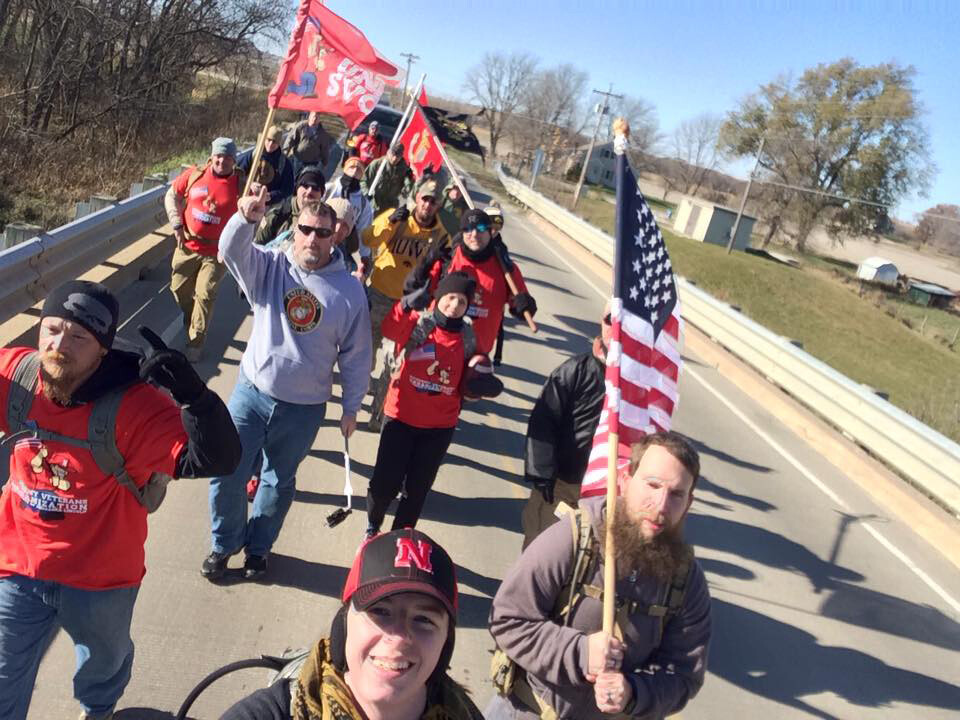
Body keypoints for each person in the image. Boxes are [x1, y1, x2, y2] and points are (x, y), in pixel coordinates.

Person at [0, 280, 241, 720]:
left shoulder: (134, 406)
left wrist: (197, 399)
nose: (59, 346)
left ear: (103, 350)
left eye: (79, 337)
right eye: (52, 329)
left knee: (101, 672)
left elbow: (219, 458)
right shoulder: (17, 378)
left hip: (101, 580)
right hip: (19, 568)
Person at [203, 189, 372, 581]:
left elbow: (357, 354)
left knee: (278, 482)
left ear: (337, 237)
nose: (313, 238)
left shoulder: (349, 292)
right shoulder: (269, 267)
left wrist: (351, 407)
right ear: (294, 230)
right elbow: (230, 252)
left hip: (303, 408)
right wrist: (244, 219)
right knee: (227, 470)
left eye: (323, 233)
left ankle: (258, 550)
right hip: (251, 394)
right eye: (306, 229)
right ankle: (224, 543)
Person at [486, 432, 712, 720]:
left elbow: (683, 675)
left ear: (688, 504)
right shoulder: (574, 537)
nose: (661, 506)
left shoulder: (687, 579)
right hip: (527, 711)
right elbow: (507, 618)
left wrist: (634, 693)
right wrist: (580, 652)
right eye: (652, 485)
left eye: (676, 494)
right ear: (625, 483)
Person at [220, 527, 484, 720]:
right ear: (344, 626)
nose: (400, 637)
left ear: (445, 644)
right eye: (380, 611)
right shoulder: (276, 712)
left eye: (424, 619)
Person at [366, 272, 502, 537]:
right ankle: (372, 526)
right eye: (450, 298)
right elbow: (390, 330)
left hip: (439, 427)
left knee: (417, 491)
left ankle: (400, 539)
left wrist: (481, 384)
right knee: (384, 484)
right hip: (401, 418)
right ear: (439, 297)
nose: (454, 306)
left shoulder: (469, 336)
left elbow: (476, 370)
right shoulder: (420, 324)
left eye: (462, 302)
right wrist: (405, 305)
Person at [521, 307, 608, 548]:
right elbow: (544, 418)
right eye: (611, 321)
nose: (616, 328)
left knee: (585, 553)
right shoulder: (576, 370)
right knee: (542, 544)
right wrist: (541, 472)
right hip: (562, 483)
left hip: (603, 491)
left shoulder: (637, 383)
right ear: (603, 324)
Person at [404, 208, 537, 355]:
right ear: (461, 232)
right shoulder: (448, 260)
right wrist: (423, 266)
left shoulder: (506, 269)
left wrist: (525, 305)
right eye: (468, 229)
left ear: (491, 231)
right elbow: (412, 292)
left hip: (475, 355)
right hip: (435, 347)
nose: (474, 234)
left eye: (480, 228)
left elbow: (523, 310)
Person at [164, 136, 245, 361]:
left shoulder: (241, 183)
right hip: (187, 245)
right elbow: (172, 195)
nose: (223, 161)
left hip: (216, 253)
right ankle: (192, 320)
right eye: (219, 156)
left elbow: (248, 218)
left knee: (205, 294)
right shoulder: (194, 175)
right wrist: (176, 223)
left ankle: (195, 342)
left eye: (228, 157)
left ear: (234, 160)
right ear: (212, 157)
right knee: (179, 290)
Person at [362, 177, 451, 356]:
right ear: (418, 197)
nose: (428, 205)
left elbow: (446, 270)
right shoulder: (398, 218)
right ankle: (364, 381)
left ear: (439, 205)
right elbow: (368, 239)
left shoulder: (441, 235)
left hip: (408, 304)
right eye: (425, 199)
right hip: (380, 294)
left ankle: (385, 383)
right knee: (365, 350)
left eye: (433, 202)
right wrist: (389, 221)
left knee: (397, 355)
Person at [255, 165, 326, 246]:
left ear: (322, 194)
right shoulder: (278, 214)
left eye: (315, 188)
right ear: (297, 188)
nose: (309, 191)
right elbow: (257, 248)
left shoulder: (325, 220)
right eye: (305, 185)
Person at [326, 156, 374, 268]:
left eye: (359, 169)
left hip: (343, 248)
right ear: (345, 168)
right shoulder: (329, 189)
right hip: (321, 235)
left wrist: (362, 258)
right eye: (352, 166)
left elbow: (362, 232)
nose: (354, 171)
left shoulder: (364, 204)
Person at [238, 125, 295, 207]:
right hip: (248, 200)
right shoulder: (253, 154)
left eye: (274, 142)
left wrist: (270, 196)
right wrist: (250, 183)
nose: (270, 144)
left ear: (279, 144)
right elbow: (238, 173)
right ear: (264, 138)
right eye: (268, 140)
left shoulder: (284, 163)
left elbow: (288, 189)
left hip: (269, 207)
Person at [362, 143, 414, 216]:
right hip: (373, 205)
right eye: (393, 154)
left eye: (398, 156)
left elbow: (406, 193)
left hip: (389, 210)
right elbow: (363, 180)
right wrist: (366, 194)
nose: (395, 158)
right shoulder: (378, 164)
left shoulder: (403, 170)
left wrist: (410, 179)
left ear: (401, 156)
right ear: (388, 152)